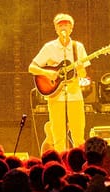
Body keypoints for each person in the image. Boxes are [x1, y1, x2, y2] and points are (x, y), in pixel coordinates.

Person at [29, 13, 90, 152]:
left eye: (66, 25)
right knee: (58, 137)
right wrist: (48, 73)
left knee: (78, 135)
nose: (63, 27)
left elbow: (83, 74)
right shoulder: (49, 47)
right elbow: (32, 67)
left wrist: (80, 68)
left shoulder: (78, 47)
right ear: (56, 29)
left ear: (71, 28)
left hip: (75, 95)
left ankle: (79, 165)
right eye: (60, 25)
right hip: (55, 96)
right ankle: (61, 167)